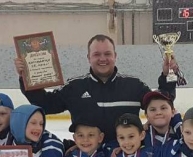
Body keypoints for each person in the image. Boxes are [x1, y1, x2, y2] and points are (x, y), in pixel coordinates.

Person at [14, 34, 178, 146]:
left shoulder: (134, 86)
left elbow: (162, 102)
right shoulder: (75, 87)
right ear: (88, 58)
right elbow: (47, 104)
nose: (102, 59)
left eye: (107, 54)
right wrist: (26, 77)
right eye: (96, 54)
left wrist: (167, 76)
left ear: (115, 56)